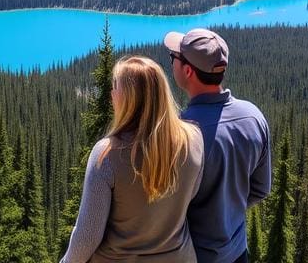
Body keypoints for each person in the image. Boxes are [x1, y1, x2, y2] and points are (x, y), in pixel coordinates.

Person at [61, 55, 205, 263]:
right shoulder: (194, 139)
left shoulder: (107, 154)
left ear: (130, 98)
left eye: (116, 86)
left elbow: (87, 237)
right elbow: (190, 197)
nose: (111, 93)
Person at [164, 28, 271, 263]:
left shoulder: (179, 131)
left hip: (193, 256)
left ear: (188, 71)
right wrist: (226, 209)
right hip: (236, 253)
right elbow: (261, 189)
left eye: (174, 58)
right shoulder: (253, 117)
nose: (171, 62)